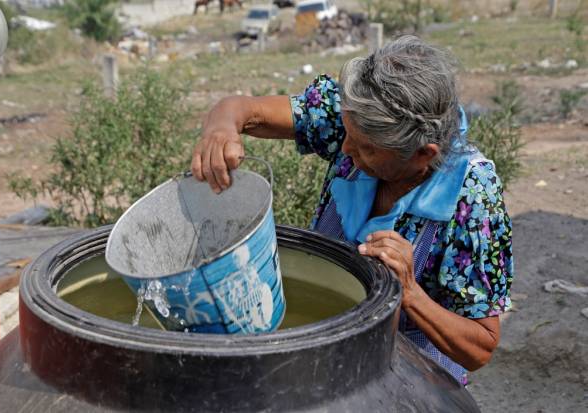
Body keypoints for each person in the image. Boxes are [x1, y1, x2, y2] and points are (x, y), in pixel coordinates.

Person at [190, 35, 513, 385]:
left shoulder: (471, 198)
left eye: (366, 148)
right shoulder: (357, 115)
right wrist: (221, 128)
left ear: (423, 154)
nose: (344, 148)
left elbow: (480, 347)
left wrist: (410, 294)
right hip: (323, 351)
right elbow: (242, 109)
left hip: (405, 379)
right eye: (346, 133)